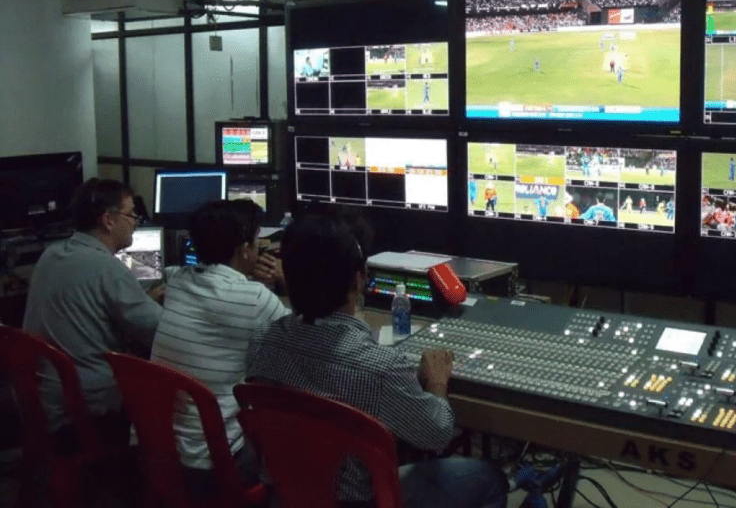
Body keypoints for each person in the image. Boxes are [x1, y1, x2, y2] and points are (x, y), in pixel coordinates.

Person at [246, 214, 508, 508]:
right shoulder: (381, 368)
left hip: (286, 495)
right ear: (358, 279)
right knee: (489, 478)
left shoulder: (265, 342)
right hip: (361, 502)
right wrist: (436, 381)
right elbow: (436, 434)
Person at [151, 200, 289, 498]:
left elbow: (210, 282)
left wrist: (246, 278)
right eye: (255, 242)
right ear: (244, 249)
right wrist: (283, 280)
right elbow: (304, 337)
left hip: (161, 453)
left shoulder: (175, 281)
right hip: (219, 463)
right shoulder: (255, 299)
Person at [22, 178, 164, 442]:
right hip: (84, 409)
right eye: (132, 214)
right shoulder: (107, 268)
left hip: (44, 397)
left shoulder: (52, 254)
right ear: (108, 220)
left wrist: (143, 298)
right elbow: (159, 332)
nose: (135, 221)